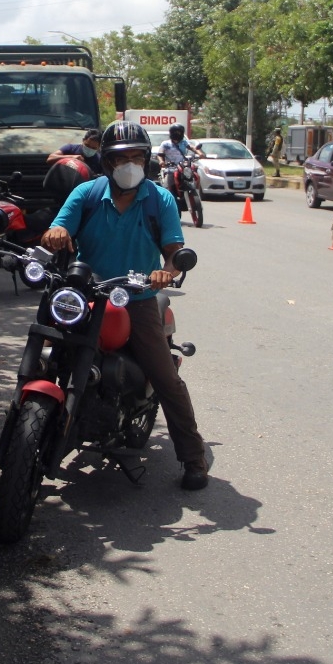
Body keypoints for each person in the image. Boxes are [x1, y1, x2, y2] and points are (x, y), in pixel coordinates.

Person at [42, 120, 209, 490]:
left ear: (147, 160)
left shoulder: (159, 199)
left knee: (165, 378)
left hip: (136, 299)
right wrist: (56, 232)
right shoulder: (86, 193)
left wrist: (166, 271)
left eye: (137, 157)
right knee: (50, 352)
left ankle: (193, 456)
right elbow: (59, 228)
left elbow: (173, 251)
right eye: (121, 158)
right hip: (86, 295)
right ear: (106, 162)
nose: (129, 164)